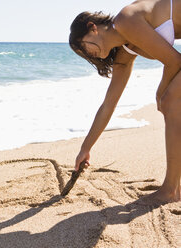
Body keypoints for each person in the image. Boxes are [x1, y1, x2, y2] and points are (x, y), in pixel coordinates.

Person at [69, 0, 180, 205]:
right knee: (173, 105)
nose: (86, 55)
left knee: (170, 101)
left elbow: (174, 61)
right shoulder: (124, 53)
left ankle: (170, 190)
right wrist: (85, 148)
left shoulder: (125, 20)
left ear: (92, 28)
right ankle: (173, 187)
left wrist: (160, 92)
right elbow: (108, 105)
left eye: (83, 48)